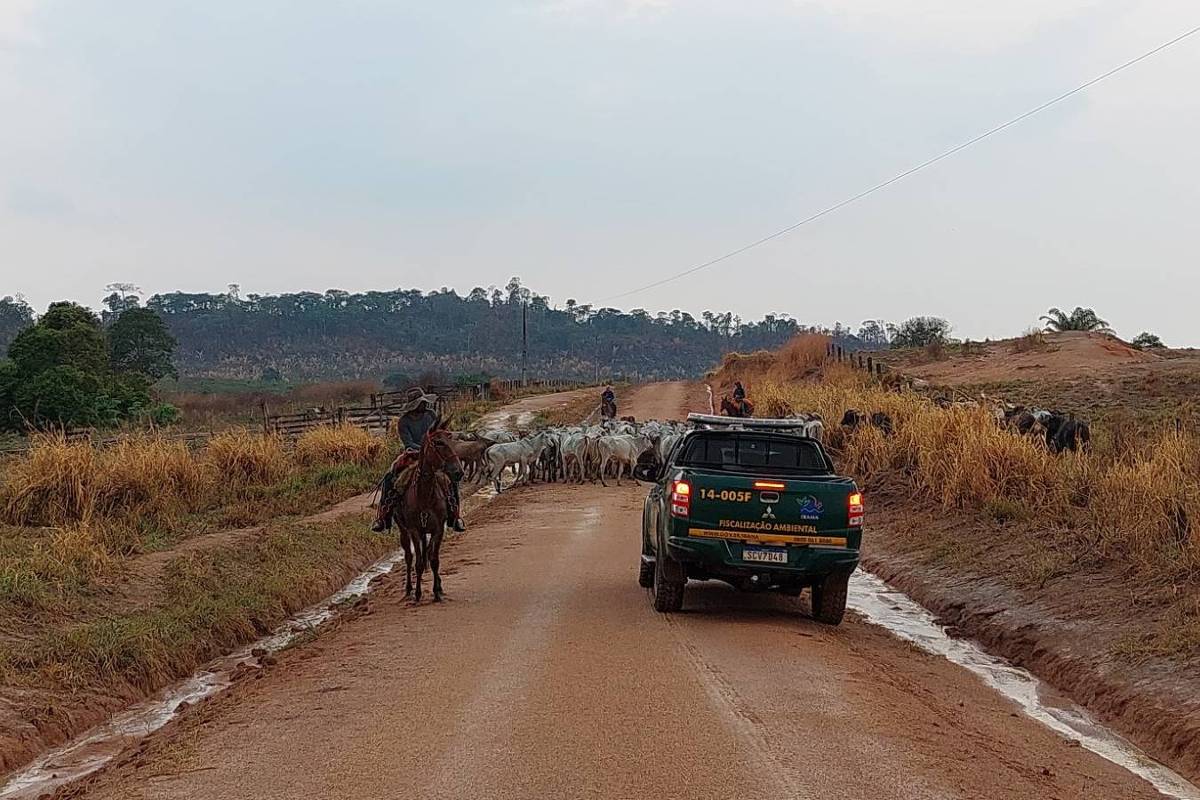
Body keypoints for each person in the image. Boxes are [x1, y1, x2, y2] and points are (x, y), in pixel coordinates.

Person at [372, 388, 465, 533]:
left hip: (434, 454)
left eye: (423, 401)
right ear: (414, 404)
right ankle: (383, 517)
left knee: (452, 479)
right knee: (390, 477)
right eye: (421, 402)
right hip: (413, 454)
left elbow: (438, 435)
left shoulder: (431, 415)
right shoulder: (404, 421)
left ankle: (455, 515)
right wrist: (423, 450)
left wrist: (434, 448)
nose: (423, 404)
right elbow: (408, 443)